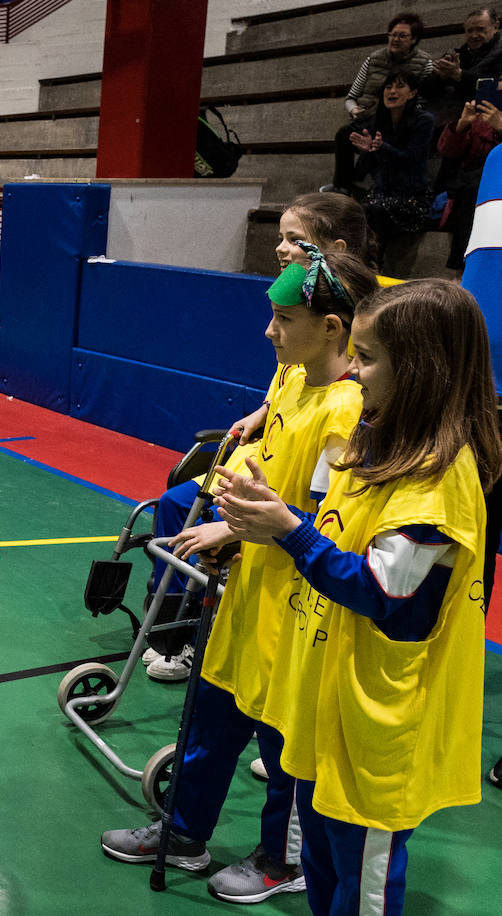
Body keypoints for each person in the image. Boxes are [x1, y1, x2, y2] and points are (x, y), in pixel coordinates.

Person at [100, 248, 378, 905]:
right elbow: (267, 461)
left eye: (283, 318)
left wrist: (238, 527)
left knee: (284, 748)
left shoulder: (344, 413)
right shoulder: (290, 378)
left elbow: (326, 519)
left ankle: (281, 862)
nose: (269, 331)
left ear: (333, 327)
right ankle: (185, 833)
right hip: (245, 591)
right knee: (209, 717)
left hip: (296, 608)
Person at [215, 279, 502, 916]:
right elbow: (336, 534)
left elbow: (380, 589)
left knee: (361, 881)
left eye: (368, 358)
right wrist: (278, 514)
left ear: (421, 370)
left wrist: (285, 533)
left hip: (378, 723)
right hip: (332, 699)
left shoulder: (438, 478)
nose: (353, 369)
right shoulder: (382, 442)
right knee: (321, 863)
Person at [324, 13, 433, 195]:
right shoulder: (374, 58)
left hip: (402, 119)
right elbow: (351, 97)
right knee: (345, 134)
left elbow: (425, 99)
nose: (395, 39)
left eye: (402, 35)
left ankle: (375, 189)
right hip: (369, 117)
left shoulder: (425, 63)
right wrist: (354, 110)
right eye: (392, 34)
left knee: (387, 139)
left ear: (414, 39)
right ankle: (343, 186)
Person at [353, 69, 435, 277]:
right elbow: (363, 171)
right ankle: (359, 270)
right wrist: (367, 153)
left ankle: (371, 270)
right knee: (359, 210)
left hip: (412, 197)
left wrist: (382, 149)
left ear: (413, 93)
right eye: (388, 87)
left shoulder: (424, 120)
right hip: (381, 193)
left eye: (400, 86)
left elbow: (412, 160)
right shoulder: (378, 123)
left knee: (378, 211)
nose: (392, 91)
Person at [436, 99, 502, 274]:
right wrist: (462, 125)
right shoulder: (482, 117)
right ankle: (466, 266)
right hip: (475, 190)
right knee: (473, 188)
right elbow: (447, 151)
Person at [421, 8, 502, 108]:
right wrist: (439, 77)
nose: (474, 35)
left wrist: (460, 75)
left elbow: (496, 87)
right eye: (470, 31)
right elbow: (425, 92)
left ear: (496, 27)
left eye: (480, 29)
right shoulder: (455, 56)